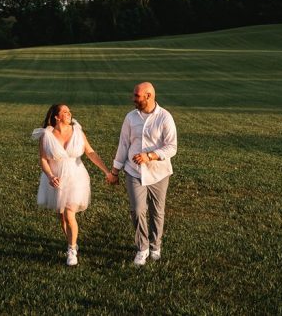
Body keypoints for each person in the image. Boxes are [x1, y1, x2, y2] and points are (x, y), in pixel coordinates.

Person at [33, 104, 114, 266]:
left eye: (69, 111)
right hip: (56, 178)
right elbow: (43, 159)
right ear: (56, 117)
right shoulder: (46, 135)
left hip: (76, 176)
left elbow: (90, 152)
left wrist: (107, 171)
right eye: (65, 112)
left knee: (69, 213)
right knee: (61, 215)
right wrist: (50, 176)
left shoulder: (77, 131)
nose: (69, 114)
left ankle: (71, 250)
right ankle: (72, 241)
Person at [108, 81, 178, 266]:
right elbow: (123, 144)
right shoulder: (130, 117)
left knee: (157, 211)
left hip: (158, 173)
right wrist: (115, 171)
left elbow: (172, 147)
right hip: (133, 171)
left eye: (136, 96)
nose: (133, 99)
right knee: (138, 210)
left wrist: (151, 156)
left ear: (148, 96)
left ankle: (156, 246)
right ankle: (143, 248)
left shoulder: (165, 117)